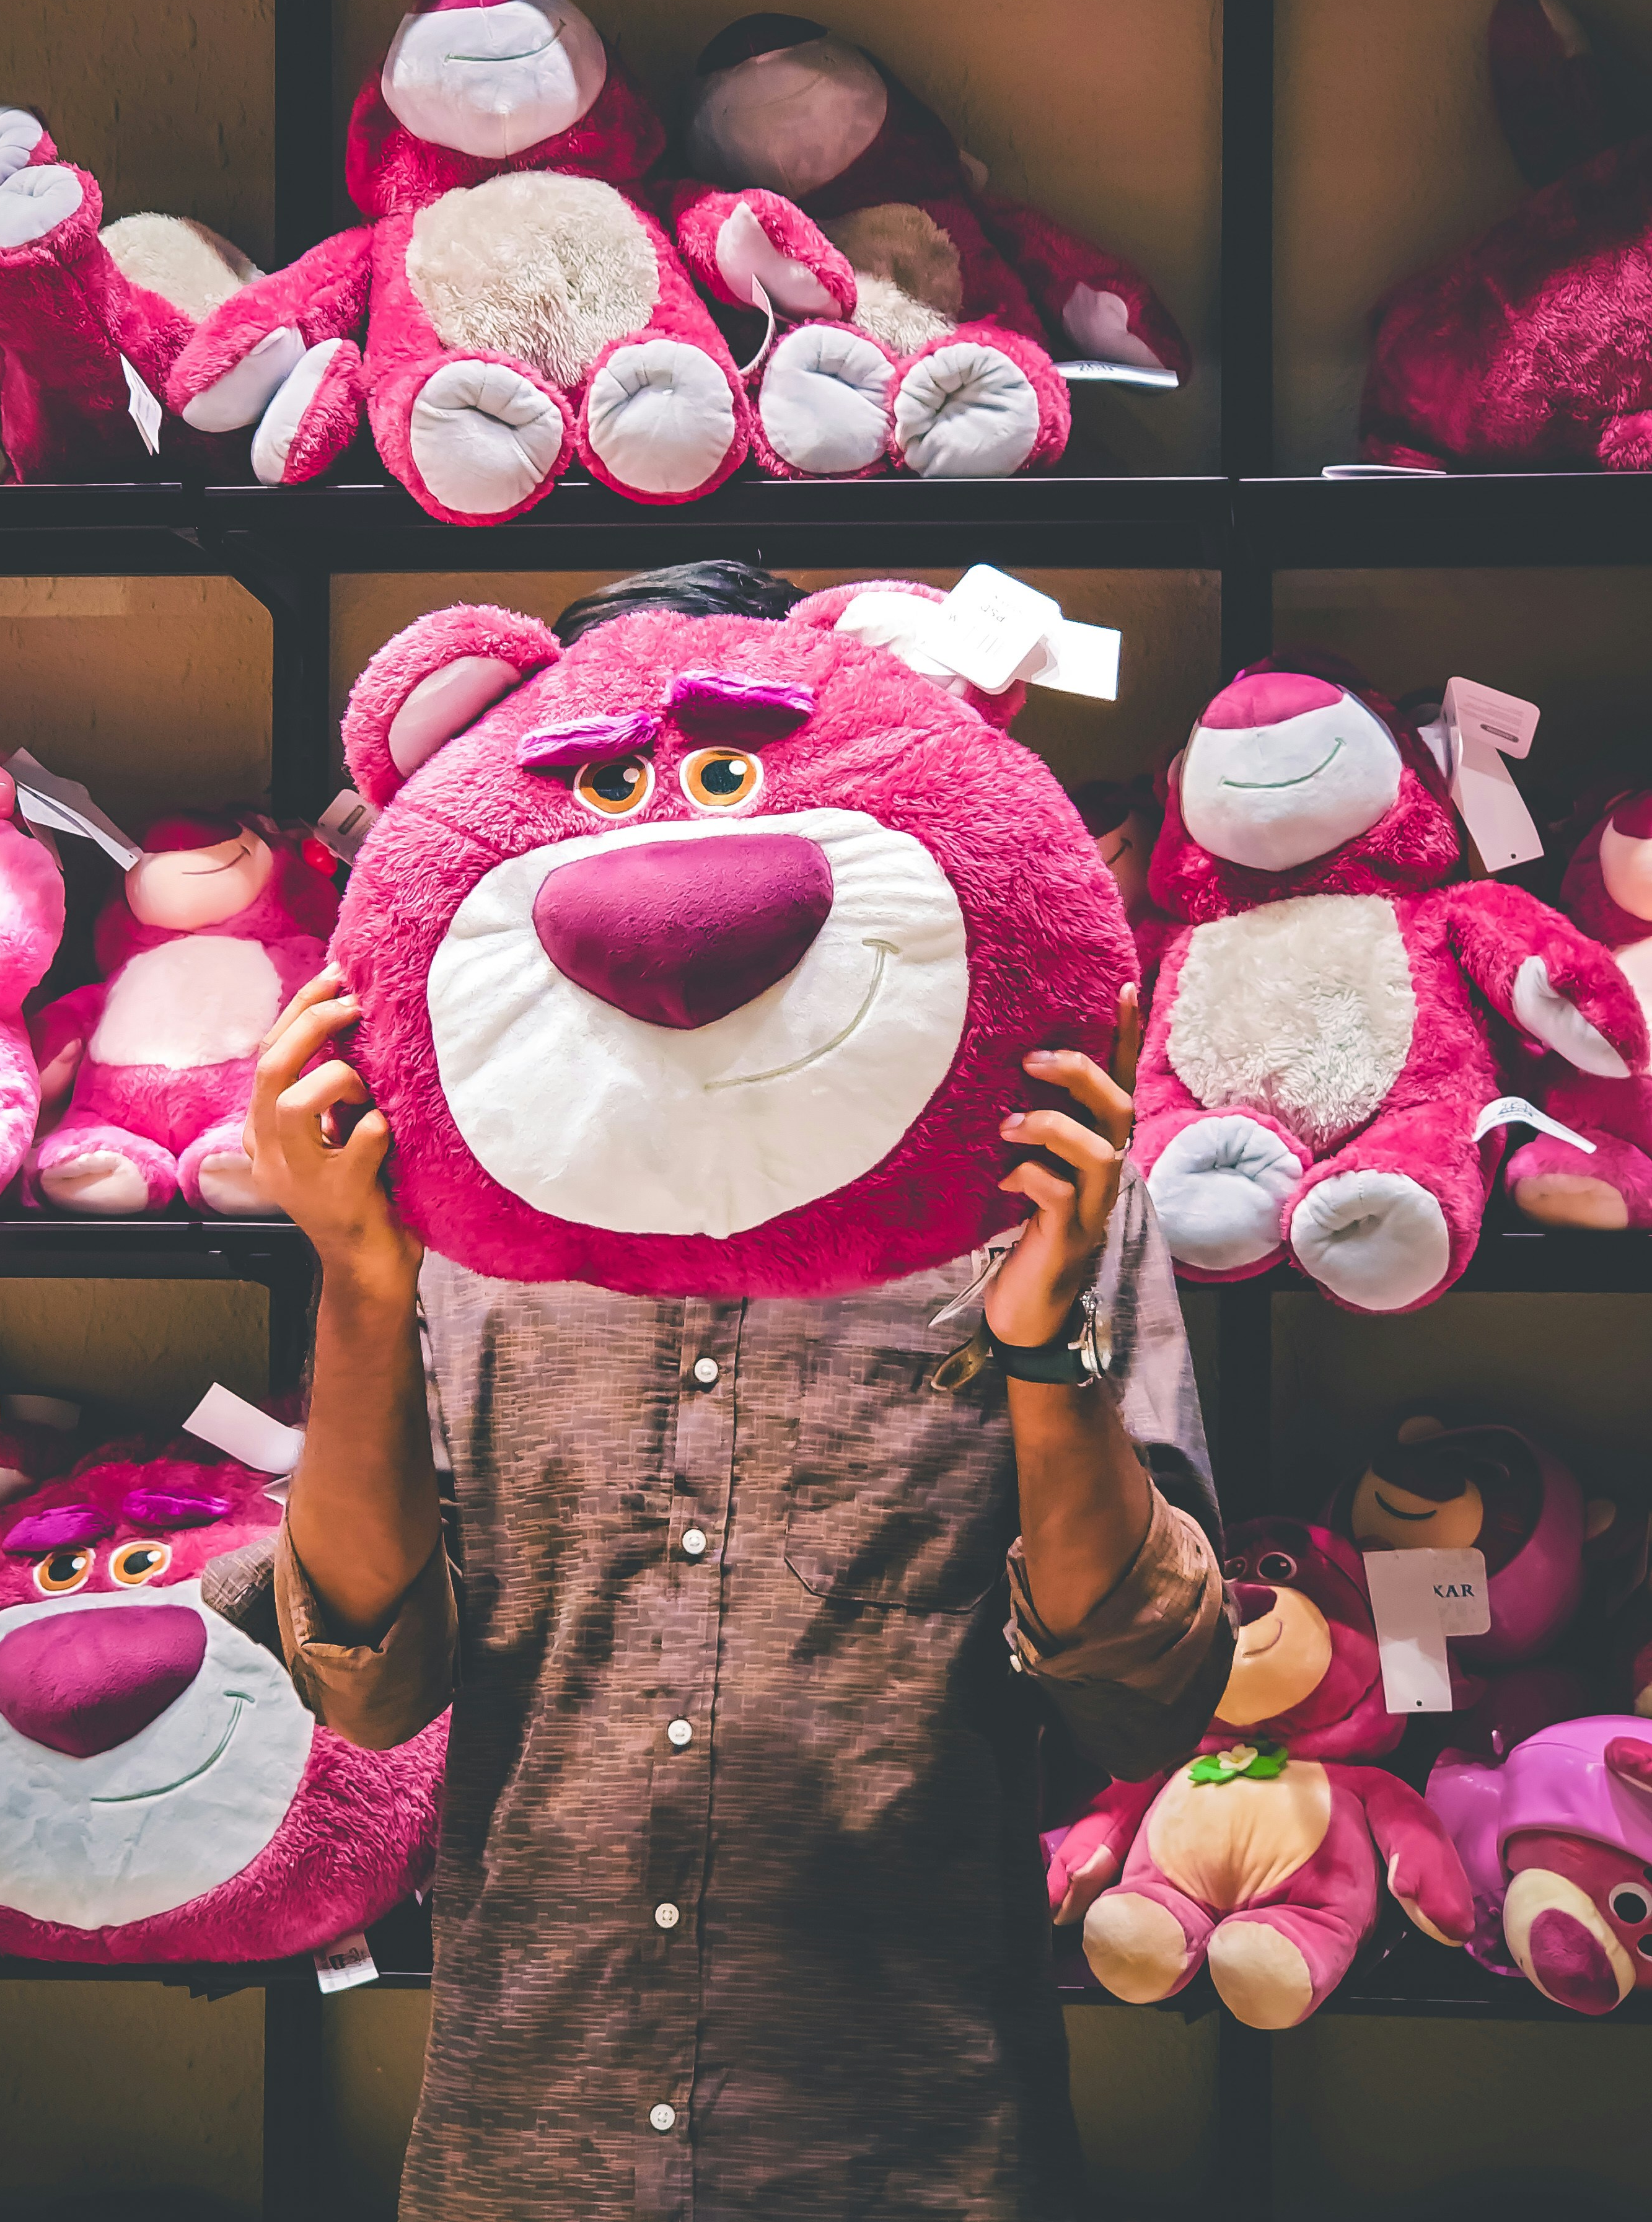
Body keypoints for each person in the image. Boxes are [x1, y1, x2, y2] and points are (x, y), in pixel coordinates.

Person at [244, 560, 1232, 2222]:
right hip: (528, 2132)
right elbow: (365, 1686)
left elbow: (1142, 1700)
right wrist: (357, 1280)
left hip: (913, 2138)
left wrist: (1045, 1344)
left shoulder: (1018, 1181)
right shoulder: (457, 1202)